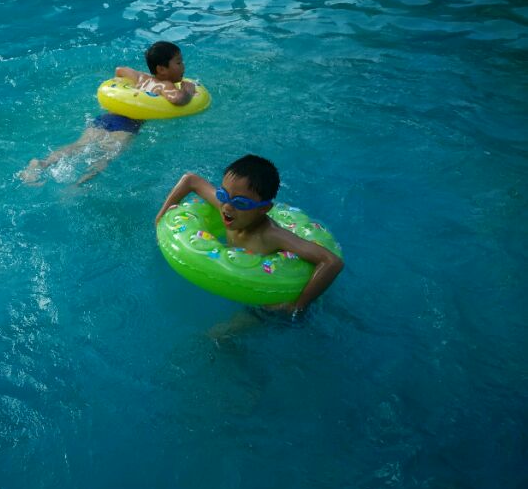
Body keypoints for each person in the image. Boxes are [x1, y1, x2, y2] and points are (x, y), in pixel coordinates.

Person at [153, 154, 344, 314]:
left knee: (218, 336)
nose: (227, 207)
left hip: (269, 296)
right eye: (223, 195)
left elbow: (332, 262)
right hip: (238, 278)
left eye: (241, 203)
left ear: (264, 209)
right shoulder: (225, 206)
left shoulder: (271, 235)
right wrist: (160, 217)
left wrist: (298, 306)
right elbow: (190, 180)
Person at [20, 42, 196, 185]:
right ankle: (79, 185)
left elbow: (120, 70)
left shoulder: (141, 77)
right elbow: (176, 99)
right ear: (162, 69)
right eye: (179, 62)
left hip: (106, 117)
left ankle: (42, 163)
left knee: (78, 146)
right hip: (127, 125)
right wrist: (187, 91)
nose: (183, 66)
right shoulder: (165, 85)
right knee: (105, 157)